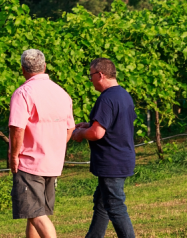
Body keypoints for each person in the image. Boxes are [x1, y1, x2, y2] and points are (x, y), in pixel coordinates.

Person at [9, 48, 75, 238]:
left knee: (36, 215)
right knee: (36, 212)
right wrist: (54, 146)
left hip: (30, 162)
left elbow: (17, 128)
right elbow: (70, 128)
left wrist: (14, 156)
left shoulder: (23, 93)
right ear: (45, 67)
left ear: (23, 70)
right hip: (52, 163)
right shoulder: (61, 93)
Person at [71, 58, 137, 238]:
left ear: (100, 75)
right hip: (122, 157)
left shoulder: (106, 99)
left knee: (115, 206)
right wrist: (89, 125)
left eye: (91, 75)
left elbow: (97, 133)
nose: (90, 79)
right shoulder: (123, 95)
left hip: (111, 161)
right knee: (102, 202)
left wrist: (81, 133)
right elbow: (114, 125)